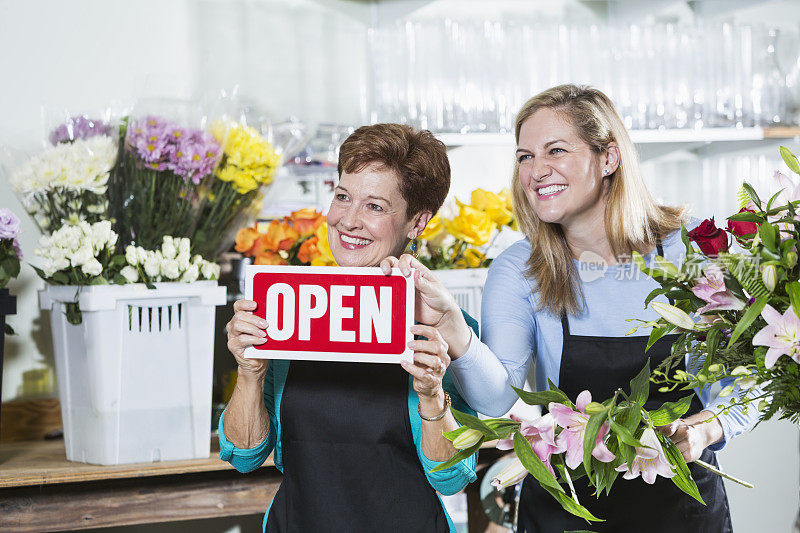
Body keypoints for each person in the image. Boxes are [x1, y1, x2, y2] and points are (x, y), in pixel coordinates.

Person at [381, 85, 759, 532]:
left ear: (609, 158)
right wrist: (454, 330)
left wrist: (703, 431)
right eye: (525, 157)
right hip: (566, 509)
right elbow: (497, 396)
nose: (537, 171)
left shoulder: (694, 247)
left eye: (555, 151)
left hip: (683, 507)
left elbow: (746, 385)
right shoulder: (519, 268)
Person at [219, 123, 479, 533]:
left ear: (416, 222)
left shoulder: (442, 327)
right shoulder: (288, 311)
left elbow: (451, 476)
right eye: (342, 197)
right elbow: (244, 454)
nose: (348, 221)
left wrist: (432, 394)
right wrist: (251, 372)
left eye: (375, 206)